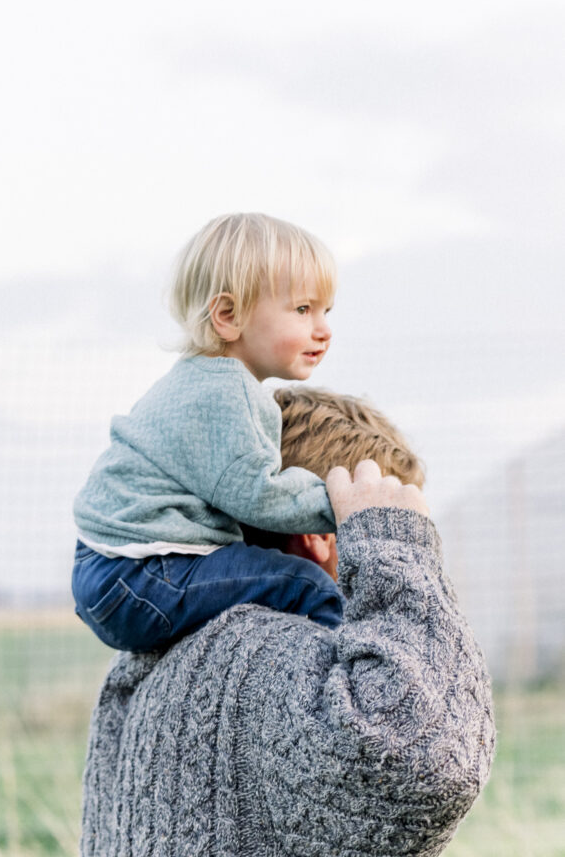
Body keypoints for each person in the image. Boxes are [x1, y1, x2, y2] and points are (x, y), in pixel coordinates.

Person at [80, 388, 495, 857]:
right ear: (320, 535)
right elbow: (432, 763)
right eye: (367, 521)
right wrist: (397, 547)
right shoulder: (263, 656)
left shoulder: (162, 657)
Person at [73, 213, 345, 653]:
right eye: (302, 309)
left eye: (326, 311)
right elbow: (261, 494)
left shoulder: (198, 380)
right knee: (308, 585)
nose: (324, 329)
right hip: (139, 571)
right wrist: (349, 505)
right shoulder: (225, 390)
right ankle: (340, 681)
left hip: (107, 570)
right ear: (228, 315)